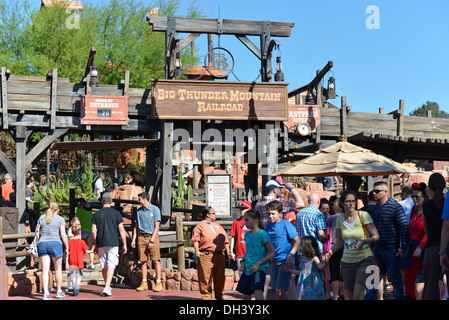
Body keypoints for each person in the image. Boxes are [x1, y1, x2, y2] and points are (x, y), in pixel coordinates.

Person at [323, 190, 380, 300]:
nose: (351, 204)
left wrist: (364, 241)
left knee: (358, 293)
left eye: (353, 201)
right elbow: (340, 240)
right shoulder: (339, 219)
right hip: (347, 262)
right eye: (348, 201)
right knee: (350, 295)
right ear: (342, 203)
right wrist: (330, 252)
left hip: (364, 259)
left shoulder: (363, 215)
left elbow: (376, 236)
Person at [370, 181, 408, 300]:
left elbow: (403, 226)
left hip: (391, 251)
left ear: (385, 192)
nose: (374, 193)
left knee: (396, 282)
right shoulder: (375, 209)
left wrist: (402, 247)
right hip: (377, 250)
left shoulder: (395, 206)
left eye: (377, 191)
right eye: (373, 191)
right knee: (372, 282)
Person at [91, 192, 128, 297]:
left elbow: (93, 231)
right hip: (113, 242)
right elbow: (121, 230)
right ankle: (107, 286)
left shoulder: (97, 214)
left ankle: (107, 285)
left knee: (104, 264)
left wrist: (95, 242)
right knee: (111, 263)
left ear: (102, 201)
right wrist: (124, 244)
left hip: (101, 242)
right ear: (111, 202)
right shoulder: (116, 214)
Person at [191, 207, 230, 300]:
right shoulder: (199, 227)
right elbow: (195, 239)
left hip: (219, 255)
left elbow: (225, 239)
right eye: (214, 213)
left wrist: (228, 252)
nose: (215, 215)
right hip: (206, 255)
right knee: (205, 277)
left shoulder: (218, 226)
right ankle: (206, 297)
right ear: (208, 215)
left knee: (220, 277)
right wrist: (197, 251)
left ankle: (219, 296)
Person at [236, 209, 275, 300]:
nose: (245, 223)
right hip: (247, 270)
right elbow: (248, 251)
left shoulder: (262, 234)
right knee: (245, 296)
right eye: (244, 220)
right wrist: (243, 261)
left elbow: (272, 253)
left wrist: (258, 264)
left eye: (247, 220)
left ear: (256, 220)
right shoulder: (247, 234)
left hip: (258, 270)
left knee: (258, 295)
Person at [265, 200, 300, 300]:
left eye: (273, 214)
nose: (271, 216)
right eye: (269, 214)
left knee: (280, 290)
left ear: (280, 213)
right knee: (276, 290)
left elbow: (297, 241)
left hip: (285, 260)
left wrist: (291, 255)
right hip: (274, 261)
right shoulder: (268, 226)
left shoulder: (286, 225)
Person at [36, 202, 69, 300]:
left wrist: (40, 240)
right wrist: (67, 246)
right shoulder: (60, 219)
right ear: (57, 210)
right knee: (58, 269)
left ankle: (46, 293)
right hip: (55, 244)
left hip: (43, 244)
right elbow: (63, 234)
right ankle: (58, 291)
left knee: (45, 270)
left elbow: (37, 233)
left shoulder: (42, 218)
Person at [131, 192, 163, 292]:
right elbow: (136, 227)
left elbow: (157, 226)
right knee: (143, 261)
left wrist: (152, 240)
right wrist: (134, 239)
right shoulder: (139, 211)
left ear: (145, 199)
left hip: (152, 237)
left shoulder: (155, 209)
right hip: (141, 237)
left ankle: (158, 282)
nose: (138, 201)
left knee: (156, 260)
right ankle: (144, 282)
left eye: (139, 199)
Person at [422, 173, 446, 300]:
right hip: (446, 247)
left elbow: (427, 231)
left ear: (429, 187)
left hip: (431, 247)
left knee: (430, 286)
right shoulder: (446, 203)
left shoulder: (426, 206)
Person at [403, 182, 428, 300]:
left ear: (424, 197)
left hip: (423, 252)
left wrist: (421, 246)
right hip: (412, 251)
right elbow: (410, 230)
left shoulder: (428, 211)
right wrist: (402, 248)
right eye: (412, 196)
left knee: (421, 282)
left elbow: (430, 232)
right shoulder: (414, 210)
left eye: (417, 196)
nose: (414, 199)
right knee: (408, 279)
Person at [290, 236, 327, 300]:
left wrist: (325, 263)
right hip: (303, 283)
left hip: (312, 283)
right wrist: (291, 270)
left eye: (301, 245)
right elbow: (302, 272)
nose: (299, 246)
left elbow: (320, 267)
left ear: (307, 247)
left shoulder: (314, 258)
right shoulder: (302, 258)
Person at [66, 223, 94, 296]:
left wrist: (66, 262)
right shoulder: (82, 242)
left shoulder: (70, 242)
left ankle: (74, 286)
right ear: (80, 232)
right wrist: (93, 250)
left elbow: (66, 252)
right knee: (79, 275)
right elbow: (87, 251)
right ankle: (77, 285)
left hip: (72, 261)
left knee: (73, 275)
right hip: (80, 261)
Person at [326, 197, 344, 300]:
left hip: (333, 246)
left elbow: (327, 234)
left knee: (334, 273)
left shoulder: (330, 218)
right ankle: (345, 295)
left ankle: (336, 296)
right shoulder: (346, 217)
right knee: (345, 273)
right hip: (345, 247)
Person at [230, 200, 251, 275]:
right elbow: (233, 237)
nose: (241, 210)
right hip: (240, 252)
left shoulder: (253, 221)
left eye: (244, 209)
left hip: (251, 252)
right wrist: (231, 251)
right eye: (240, 209)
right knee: (241, 274)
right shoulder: (236, 222)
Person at [75, 198, 95, 270]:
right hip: (90, 229)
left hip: (82, 229)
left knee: (80, 247)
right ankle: (92, 263)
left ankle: (80, 262)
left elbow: (77, 220)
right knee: (90, 247)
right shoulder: (89, 209)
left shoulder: (80, 210)